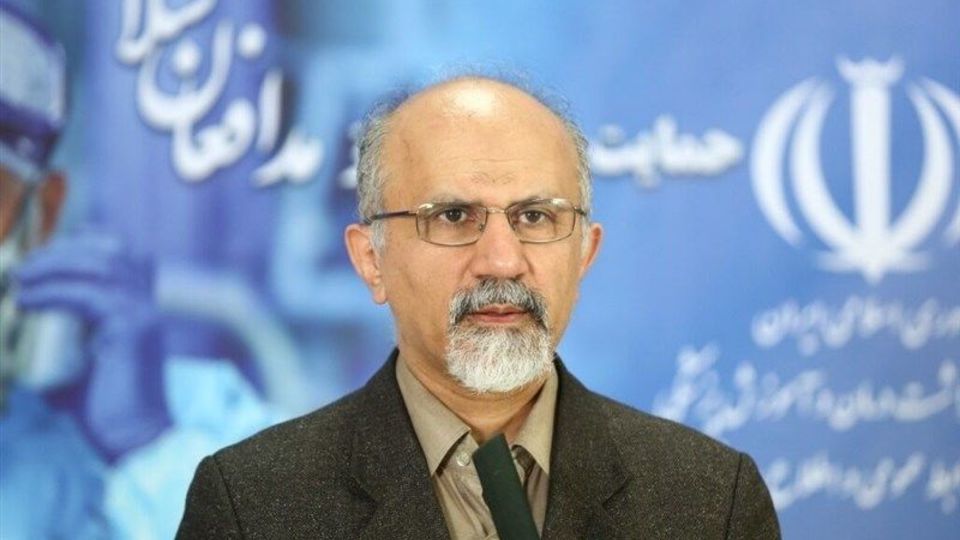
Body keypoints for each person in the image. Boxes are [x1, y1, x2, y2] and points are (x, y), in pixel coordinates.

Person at [177, 75, 781, 539]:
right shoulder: (252, 505)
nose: (502, 260)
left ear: (585, 254)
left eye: (535, 217)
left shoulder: (710, 501)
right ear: (370, 260)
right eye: (453, 216)